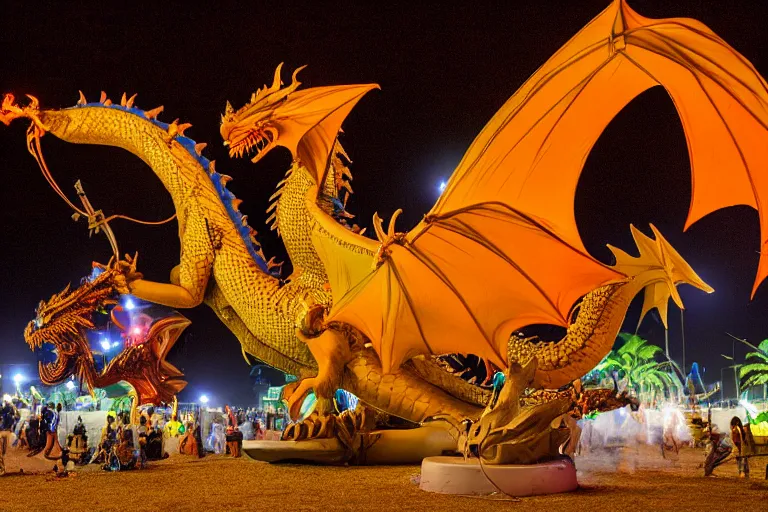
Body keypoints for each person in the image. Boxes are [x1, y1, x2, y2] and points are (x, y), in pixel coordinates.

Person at [0, 396, 19, 476]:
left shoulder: (5, 415)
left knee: (1, 452)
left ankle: (1, 469)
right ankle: (2, 469)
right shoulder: (10, 415)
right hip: (6, 433)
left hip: (3, 433)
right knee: (2, 452)